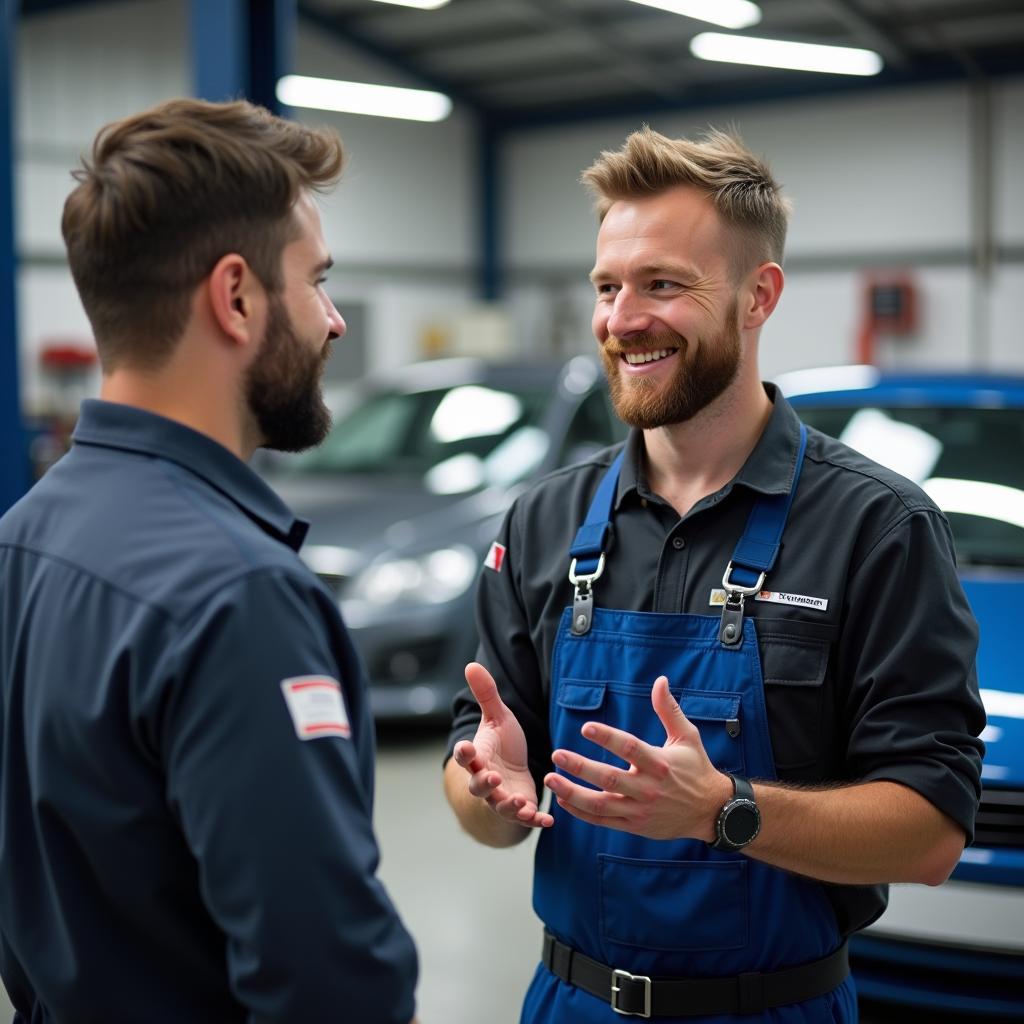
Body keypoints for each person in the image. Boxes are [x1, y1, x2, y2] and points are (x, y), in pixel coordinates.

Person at [444, 126, 985, 1023]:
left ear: (756, 296)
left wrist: (722, 811)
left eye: (663, 284)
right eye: (609, 287)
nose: (622, 319)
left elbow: (931, 832)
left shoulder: (876, 527)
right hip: (568, 1002)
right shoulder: (543, 522)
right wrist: (487, 788)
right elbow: (479, 802)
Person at [0, 98, 418, 1024]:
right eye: (317, 282)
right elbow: (330, 984)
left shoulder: (21, 536)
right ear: (235, 297)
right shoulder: (238, 596)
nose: (335, 322)